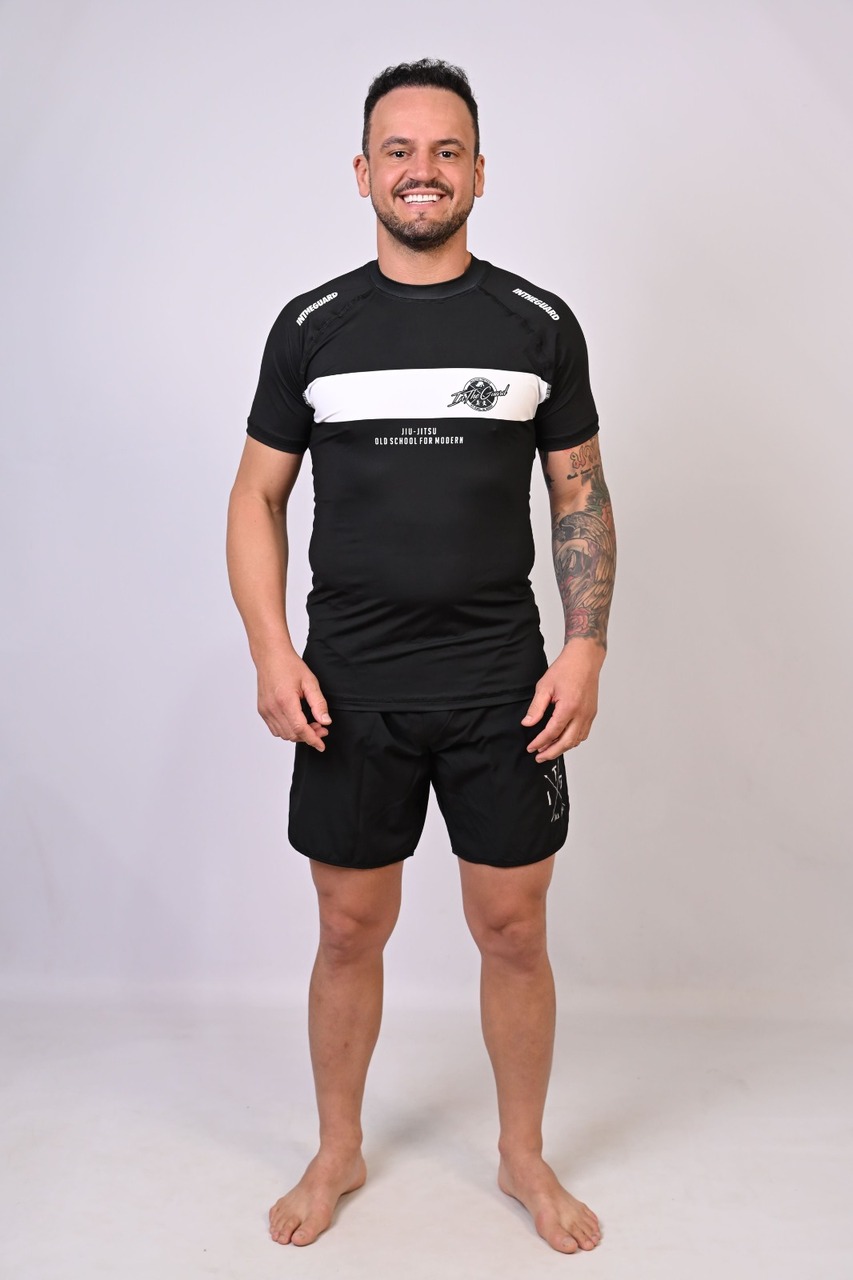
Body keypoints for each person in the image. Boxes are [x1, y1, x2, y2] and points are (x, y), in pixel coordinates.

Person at [226, 58, 615, 1255]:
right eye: (398, 150)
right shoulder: (312, 328)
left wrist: (586, 646)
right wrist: (272, 650)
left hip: (502, 682)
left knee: (513, 929)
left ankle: (521, 1152)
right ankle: (337, 1146)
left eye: (446, 150)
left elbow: (580, 492)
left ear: (480, 172)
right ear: (362, 172)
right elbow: (255, 496)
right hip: (350, 686)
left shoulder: (537, 323)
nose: (422, 171)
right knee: (349, 927)